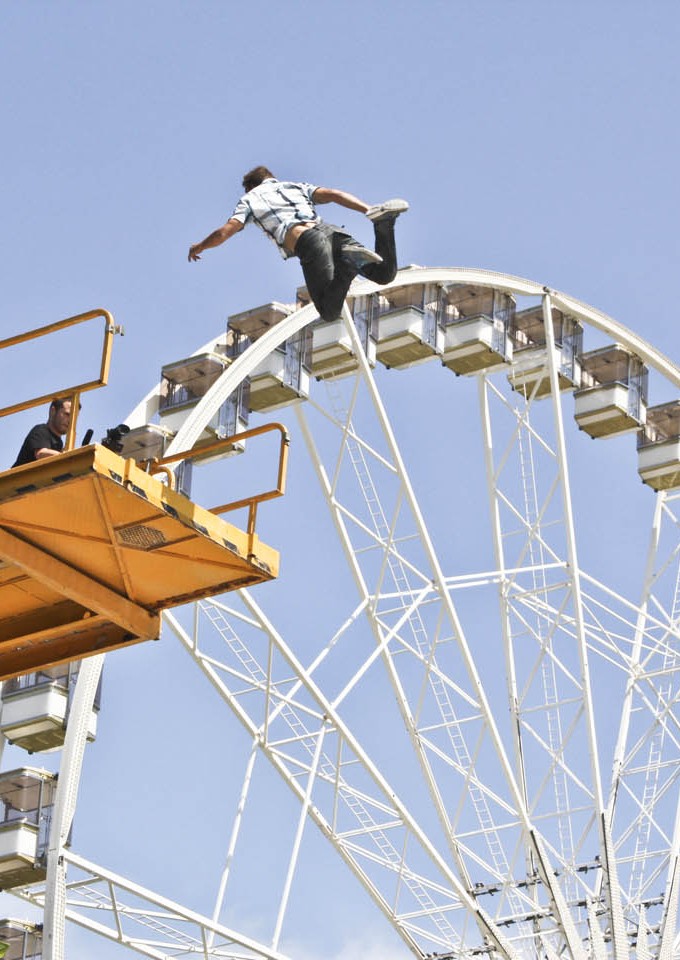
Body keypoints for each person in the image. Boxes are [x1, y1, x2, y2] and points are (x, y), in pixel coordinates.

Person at [188, 166, 408, 323]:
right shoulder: (294, 186)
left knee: (329, 311)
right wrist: (368, 209)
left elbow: (225, 232)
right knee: (384, 274)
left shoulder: (249, 199)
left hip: (310, 241)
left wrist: (200, 246)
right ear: (271, 178)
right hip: (332, 232)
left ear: (250, 187)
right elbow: (334, 195)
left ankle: (348, 266)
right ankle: (383, 224)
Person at [12, 398, 73, 467]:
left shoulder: (59, 443)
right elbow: (41, 454)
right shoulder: (41, 430)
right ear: (53, 411)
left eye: (73, 417)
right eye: (67, 414)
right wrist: (67, 456)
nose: (70, 420)